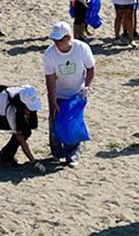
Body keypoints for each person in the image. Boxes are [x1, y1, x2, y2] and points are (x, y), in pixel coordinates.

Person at [43, 21, 97, 167]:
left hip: (76, 93)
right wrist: (53, 101)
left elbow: (91, 68)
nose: (57, 43)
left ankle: (72, 155)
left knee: (72, 123)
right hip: (58, 92)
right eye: (55, 40)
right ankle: (56, 152)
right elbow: (50, 79)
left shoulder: (82, 48)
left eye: (60, 40)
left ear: (68, 37)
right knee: (55, 121)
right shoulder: (49, 54)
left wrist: (87, 87)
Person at [0, 85, 47, 171]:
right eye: (28, 109)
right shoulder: (12, 110)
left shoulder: (27, 93)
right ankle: (5, 157)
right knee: (24, 132)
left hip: (0, 109)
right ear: (22, 104)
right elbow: (20, 138)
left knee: (25, 129)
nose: (30, 112)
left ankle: (4, 153)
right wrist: (34, 162)